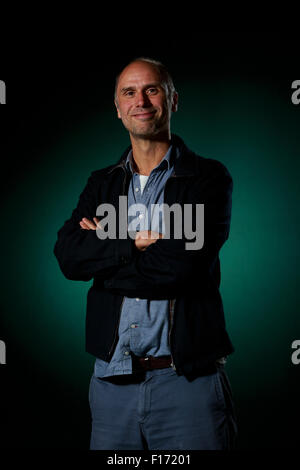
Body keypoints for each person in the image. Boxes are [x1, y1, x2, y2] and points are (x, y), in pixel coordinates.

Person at [54, 57, 238, 450]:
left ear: (172, 100)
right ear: (118, 108)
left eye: (152, 89)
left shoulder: (207, 178)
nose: (141, 100)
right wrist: (133, 243)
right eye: (129, 92)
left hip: (188, 382)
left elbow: (181, 268)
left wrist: (103, 258)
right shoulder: (101, 183)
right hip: (110, 384)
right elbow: (69, 256)